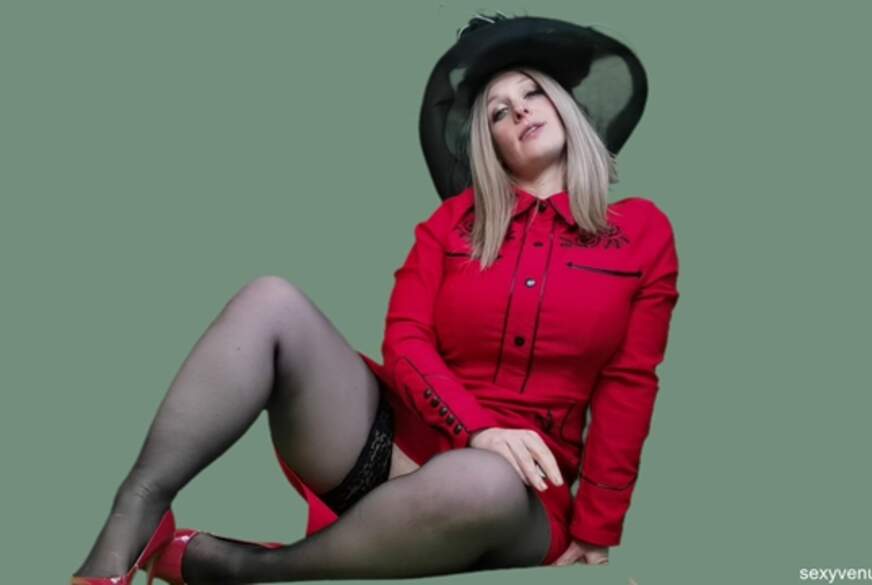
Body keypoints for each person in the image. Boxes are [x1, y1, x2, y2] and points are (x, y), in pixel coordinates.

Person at [70, 14, 680, 585]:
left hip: (516, 495)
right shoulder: (449, 226)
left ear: (567, 107)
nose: (520, 110)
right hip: (397, 446)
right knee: (270, 299)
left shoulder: (643, 231)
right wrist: (477, 429)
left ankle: (247, 569)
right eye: (499, 111)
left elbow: (629, 384)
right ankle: (136, 511)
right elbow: (405, 342)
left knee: (480, 481)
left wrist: (598, 526)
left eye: (533, 93)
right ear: (490, 144)